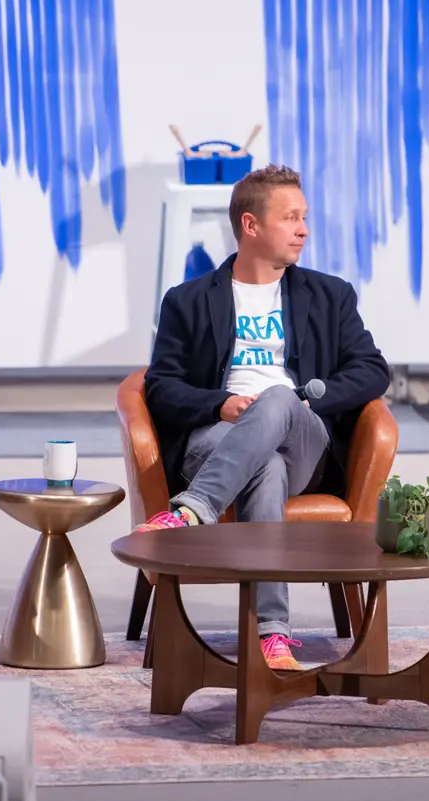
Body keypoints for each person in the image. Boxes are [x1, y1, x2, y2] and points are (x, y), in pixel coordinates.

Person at [139, 164, 391, 671]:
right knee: (266, 468)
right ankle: (272, 634)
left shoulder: (330, 295)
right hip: (217, 440)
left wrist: (303, 402)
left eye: (304, 217)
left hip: (304, 441)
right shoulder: (187, 301)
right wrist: (219, 404)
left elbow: (372, 370)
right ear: (251, 225)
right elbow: (161, 386)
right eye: (291, 217)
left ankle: (192, 509)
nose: (304, 229)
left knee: (278, 399)